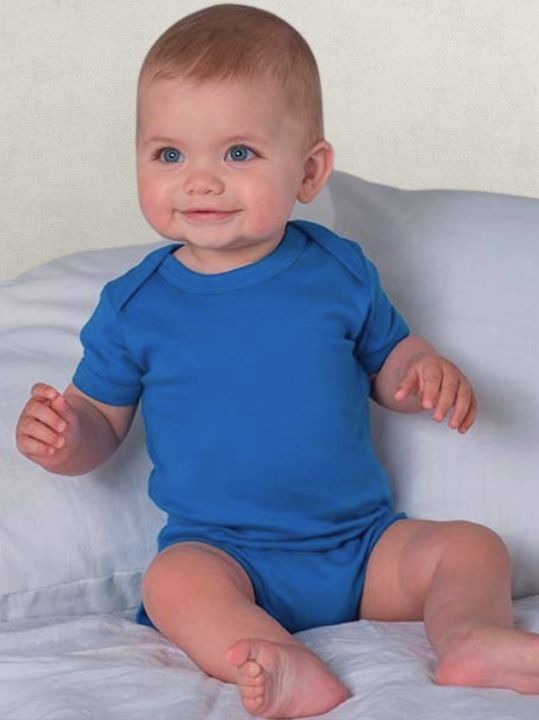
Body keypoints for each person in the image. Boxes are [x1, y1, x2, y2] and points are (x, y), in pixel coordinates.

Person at [14, 4, 539, 718]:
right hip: (227, 557)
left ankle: (472, 637)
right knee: (171, 583)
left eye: (237, 154)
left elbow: (387, 360)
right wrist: (65, 435)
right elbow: (100, 424)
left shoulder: (337, 269)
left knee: (472, 548)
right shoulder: (135, 305)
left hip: (361, 548)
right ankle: (273, 658)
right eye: (169, 155)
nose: (200, 181)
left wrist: (419, 370)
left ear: (309, 170)